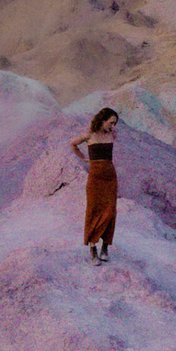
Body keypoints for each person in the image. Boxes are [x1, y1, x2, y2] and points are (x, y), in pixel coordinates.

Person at [70, 108, 119, 263]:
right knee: (94, 210)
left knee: (110, 211)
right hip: (95, 178)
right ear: (102, 119)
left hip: (110, 176)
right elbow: (73, 144)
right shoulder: (89, 134)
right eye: (111, 122)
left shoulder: (112, 134)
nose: (113, 126)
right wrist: (84, 158)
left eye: (115, 123)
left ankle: (105, 248)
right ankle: (93, 250)